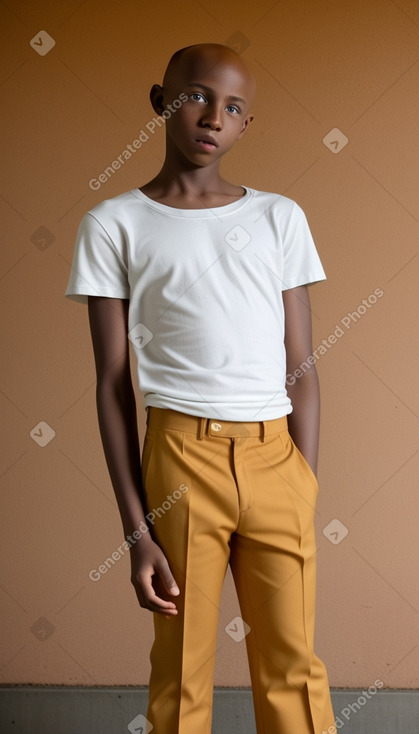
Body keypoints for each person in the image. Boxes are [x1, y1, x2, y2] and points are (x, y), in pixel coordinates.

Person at [65, 42, 337, 734]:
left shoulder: (279, 217)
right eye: (196, 97)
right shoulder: (114, 224)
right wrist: (136, 532)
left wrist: (303, 480)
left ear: (248, 124)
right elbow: (111, 384)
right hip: (180, 459)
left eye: (234, 107)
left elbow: (300, 363)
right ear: (161, 101)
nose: (213, 116)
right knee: (180, 667)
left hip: (276, 460)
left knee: (293, 666)